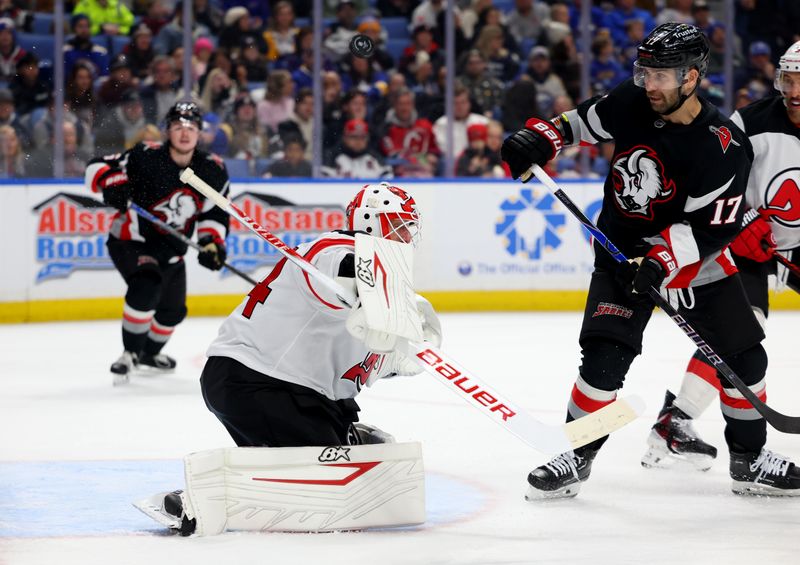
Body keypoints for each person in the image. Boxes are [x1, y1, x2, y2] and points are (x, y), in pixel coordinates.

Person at [501, 23, 800, 498]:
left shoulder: (722, 144)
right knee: (602, 360)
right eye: (645, 73)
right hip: (622, 255)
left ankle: (749, 459)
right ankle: (575, 457)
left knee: (745, 360)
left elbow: (711, 228)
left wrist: (661, 261)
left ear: (692, 77)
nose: (650, 84)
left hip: (693, 262)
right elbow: (581, 122)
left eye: (662, 76)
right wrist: (541, 139)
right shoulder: (631, 100)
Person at [151, 183, 441, 535]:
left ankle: (340, 438)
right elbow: (339, 268)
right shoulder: (335, 248)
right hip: (256, 379)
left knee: (353, 471)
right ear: (369, 222)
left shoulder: (381, 294)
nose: (405, 237)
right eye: (397, 226)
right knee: (326, 486)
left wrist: (403, 350)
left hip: (295, 389)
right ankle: (199, 497)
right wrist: (368, 288)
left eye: (408, 228)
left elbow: (364, 358)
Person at [640, 41, 800, 488]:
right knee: (739, 333)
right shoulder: (749, 121)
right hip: (740, 242)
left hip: (795, 245)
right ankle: (676, 423)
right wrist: (741, 220)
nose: (794, 89)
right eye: (789, 78)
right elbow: (711, 174)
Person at [85, 101, 230, 384]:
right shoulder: (145, 155)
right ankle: (129, 353)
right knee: (146, 284)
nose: (184, 133)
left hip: (172, 249)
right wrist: (113, 183)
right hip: (131, 240)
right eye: (177, 127)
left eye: (191, 127)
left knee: (173, 311)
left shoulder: (213, 169)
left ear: (200, 132)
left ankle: (149, 354)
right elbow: (97, 167)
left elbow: (214, 212)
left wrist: (212, 242)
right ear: (168, 131)